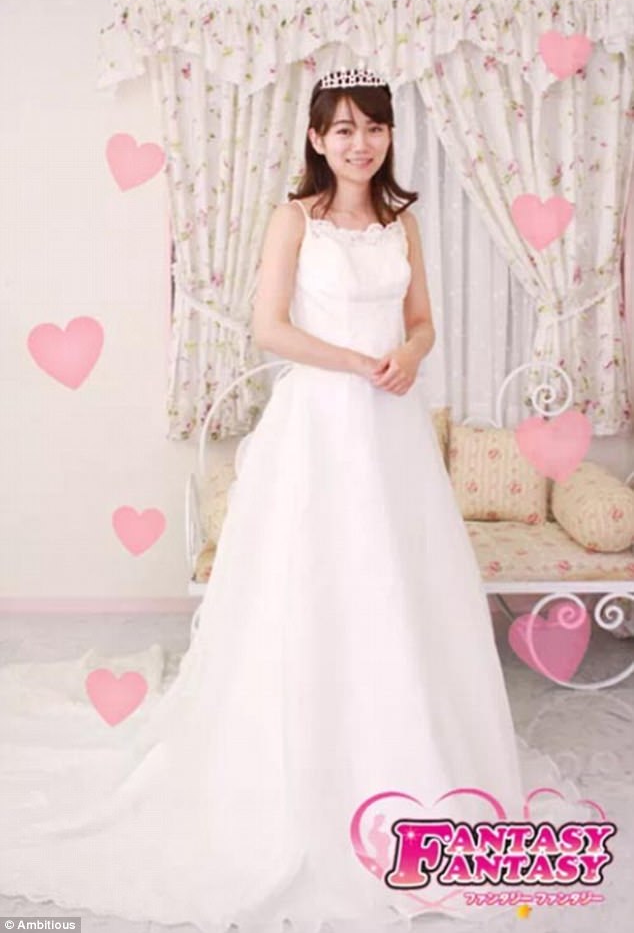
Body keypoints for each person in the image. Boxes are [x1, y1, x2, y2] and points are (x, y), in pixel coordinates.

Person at [0, 67, 585, 933]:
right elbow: (268, 326)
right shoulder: (294, 219)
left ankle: (406, 756)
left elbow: (423, 321)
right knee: (312, 580)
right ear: (316, 139)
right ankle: (298, 768)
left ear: (389, 136)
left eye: (374, 128)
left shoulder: (402, 221)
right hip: (320, 424)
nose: (360, 143)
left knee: (397, 582)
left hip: (392, 427)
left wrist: (409, 355)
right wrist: (355, 362)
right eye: (343, 129)